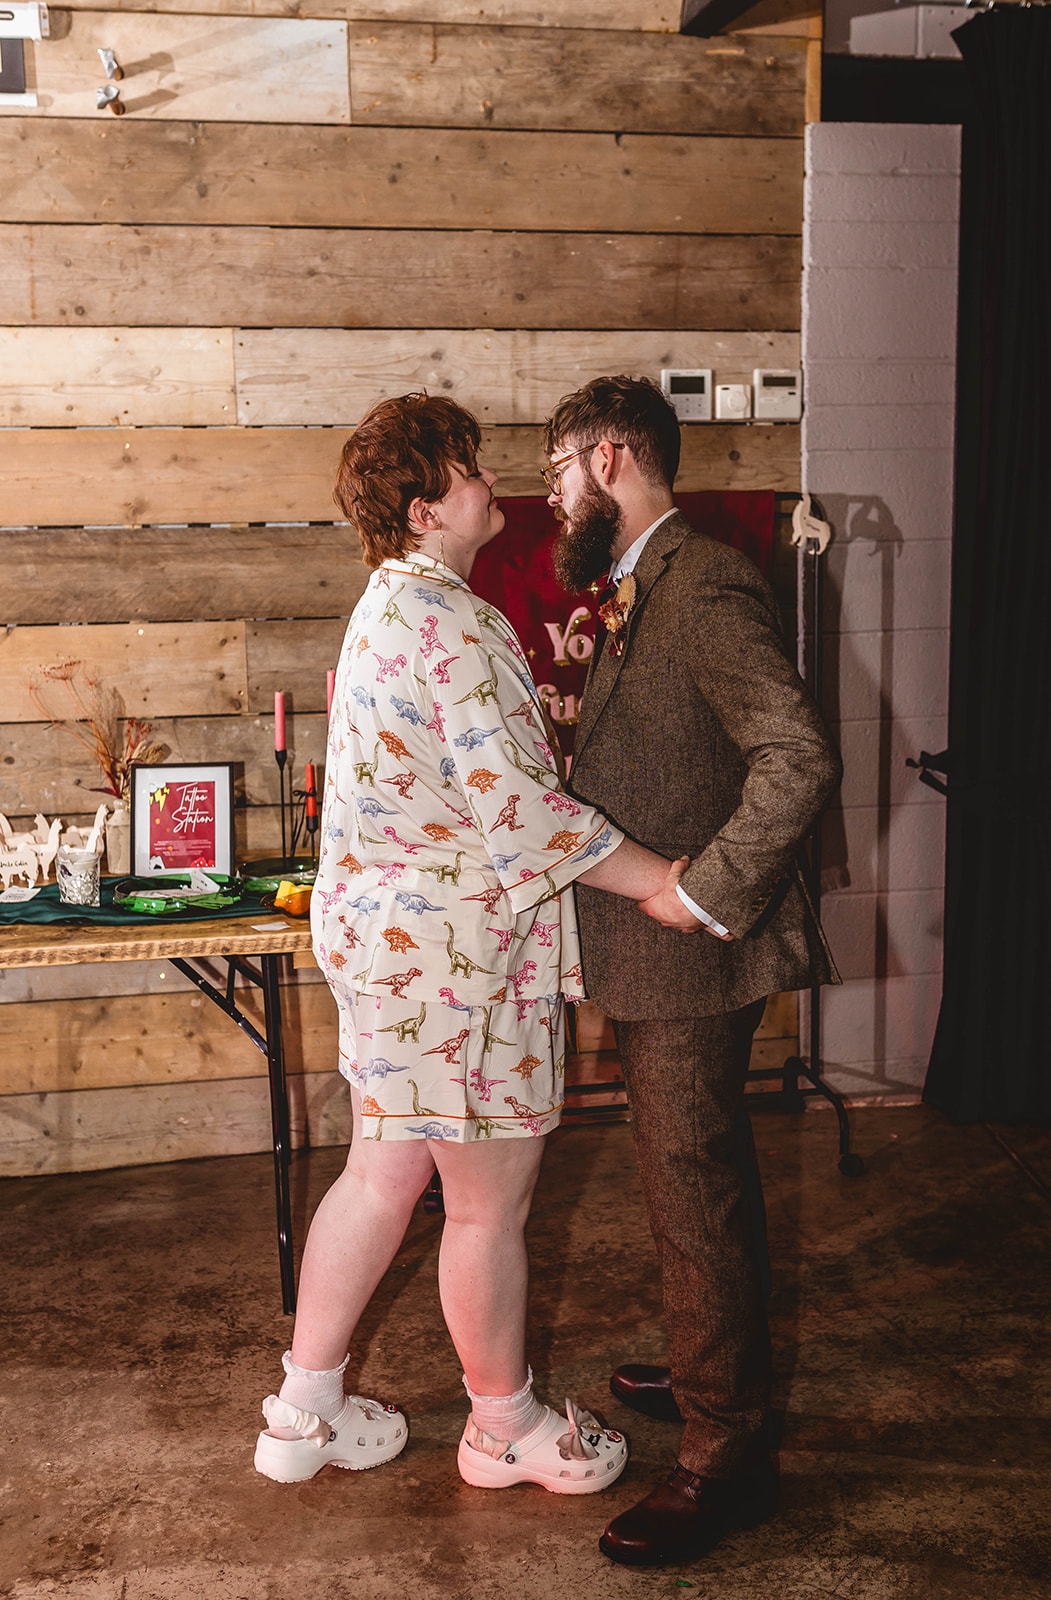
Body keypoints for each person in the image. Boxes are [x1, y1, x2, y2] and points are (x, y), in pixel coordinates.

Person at [253, 392, 686, 1498]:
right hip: (456, 962)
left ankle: (302, 1409)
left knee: (380, 1172)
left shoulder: (384, 609)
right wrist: (662, 883)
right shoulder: (451, 621)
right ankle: (504, 1425)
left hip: (386, 948)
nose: (491, 482)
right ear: (423, 502)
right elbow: (525, 813)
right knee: (487, 1205)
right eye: (470, 467)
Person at [543, 375, 842, 1566]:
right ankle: (710, 1363)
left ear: (611, 456)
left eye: (560, 465)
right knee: (690, 1175)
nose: (553, 490)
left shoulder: (702, 579)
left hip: (693, 947)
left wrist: (702, 886)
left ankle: (726, 1455)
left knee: (690, 1181)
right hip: (651, 952)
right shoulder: (641, 581)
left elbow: (796, 754)